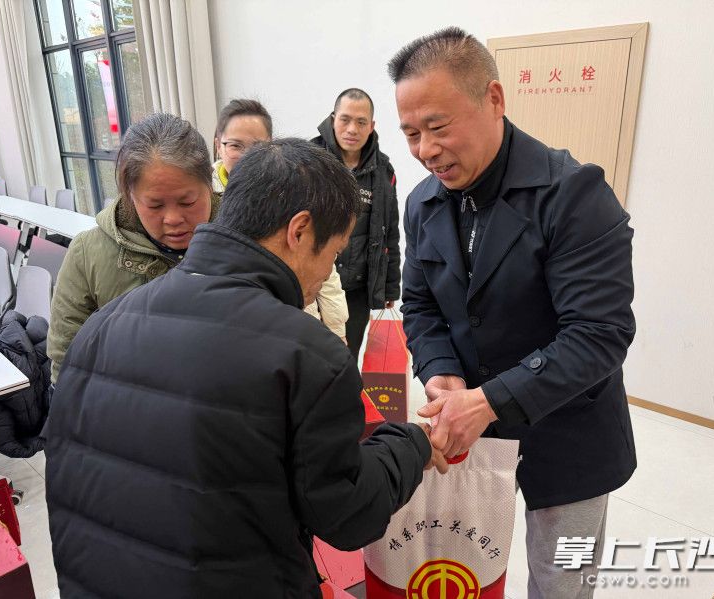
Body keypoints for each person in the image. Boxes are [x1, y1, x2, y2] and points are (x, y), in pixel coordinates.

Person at [45, 138, 447, 598]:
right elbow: (347, 513)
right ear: (299, 232)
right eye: (331, 255)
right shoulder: (306, 353)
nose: (324, 276)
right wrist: (408, 445)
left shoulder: (99, 329)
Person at [388, 27, 637, 599]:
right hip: (469, 435)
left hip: (569, 436)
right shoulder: (422, 204)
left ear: (494, 100)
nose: (426, 150)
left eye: (438, 127)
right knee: (464, 571)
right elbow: (421, 305)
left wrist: (488, 400)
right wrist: (440, 372)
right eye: (410, 133)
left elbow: (599, 334)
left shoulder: (574, 196)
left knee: (560, 584)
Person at [47, 113, 220, 383]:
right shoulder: (88, 253)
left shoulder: (244, 239)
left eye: (187, 202)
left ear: (209, 184)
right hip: (124, 413)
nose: (173, 219)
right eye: (155, 205)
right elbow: (67, 359)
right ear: (130, 195)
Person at [214, 99, 349, 341]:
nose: (246, 156)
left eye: (256, 147)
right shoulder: (202, 201)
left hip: (295, 321)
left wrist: (335, 332)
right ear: (218, 146)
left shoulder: (295, 190)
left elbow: (324, 269)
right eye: (235, 145)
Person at [312, 88, 400, 358]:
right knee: (310, 360)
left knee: (346, 360)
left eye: (361, 122)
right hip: (314, 284)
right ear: (332, 118)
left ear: (371, 126)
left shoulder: (384, 172)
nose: (352, 129)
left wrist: (389, 285)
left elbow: (391, 232)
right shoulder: (309, 161)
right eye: (345, 119)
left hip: (357, 289)